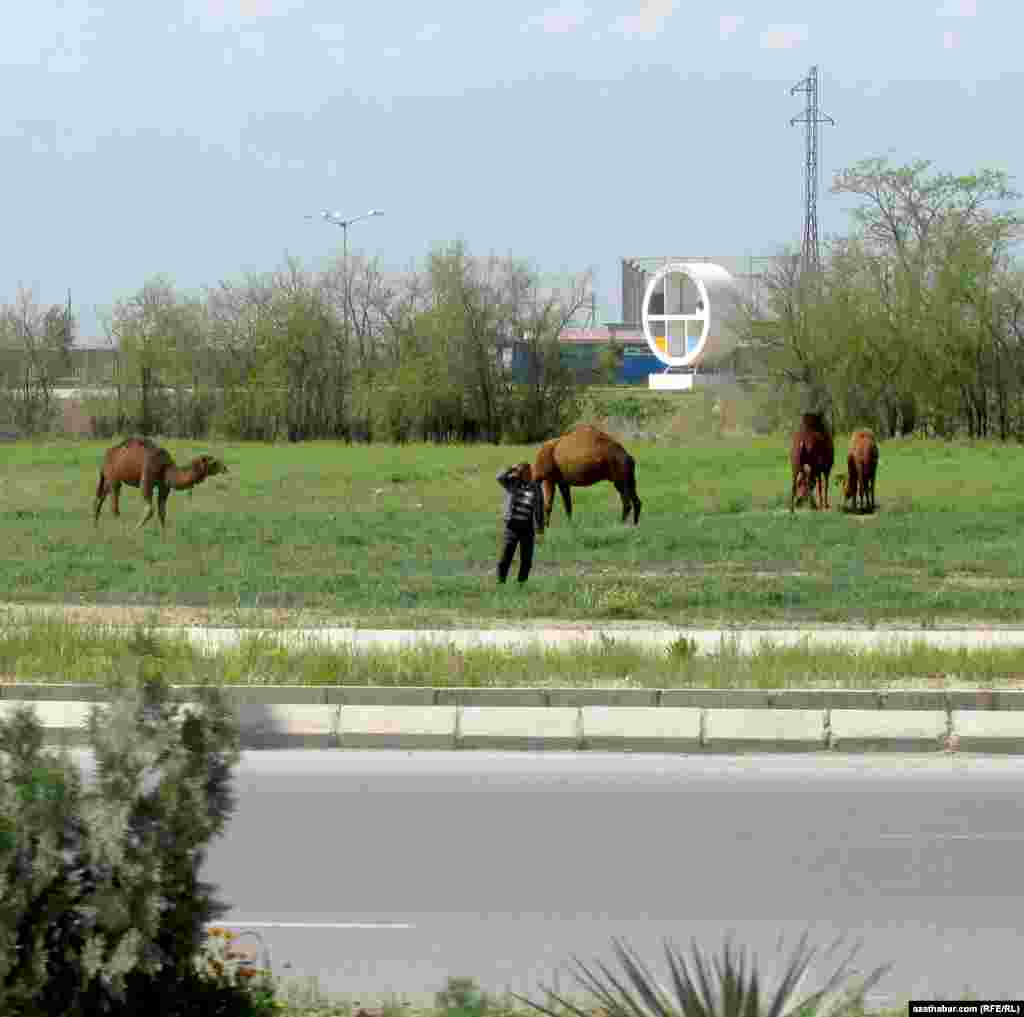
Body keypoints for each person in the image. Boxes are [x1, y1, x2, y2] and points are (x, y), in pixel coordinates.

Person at [496, 461, 545, 584]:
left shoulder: (536, 487)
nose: (527, 474)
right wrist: (511, 467)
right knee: (505, 557)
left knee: (526, 560)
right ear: (519, 473)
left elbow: (539, 507)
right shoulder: (512, 483)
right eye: (523, 472)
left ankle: (521, 583)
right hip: (512, 526)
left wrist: (540, 529)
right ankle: (501, 582)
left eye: (529, 471)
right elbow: (499, 477)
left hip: (527, 528)